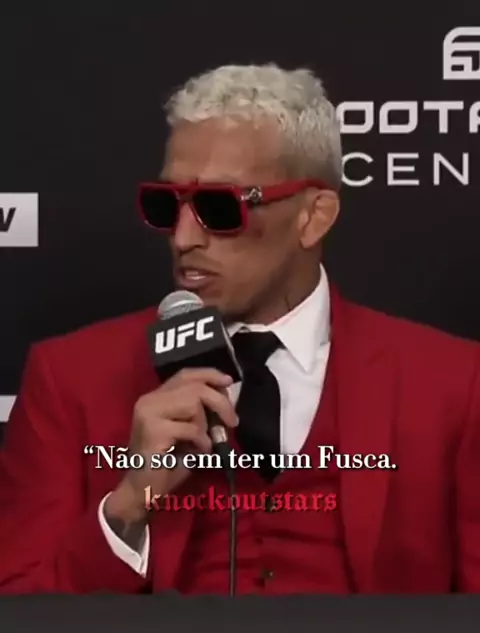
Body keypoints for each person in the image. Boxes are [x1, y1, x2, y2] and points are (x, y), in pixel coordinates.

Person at [1, 63, 480, 595]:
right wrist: (129, 505)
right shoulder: (70, 378)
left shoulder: (454, 385)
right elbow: (20, 616)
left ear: (314, 216)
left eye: (219, 207)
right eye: (166, 205)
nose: (183, 238)